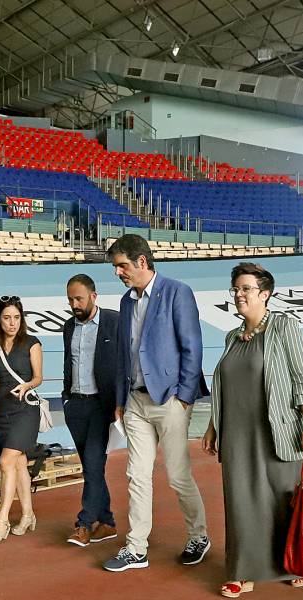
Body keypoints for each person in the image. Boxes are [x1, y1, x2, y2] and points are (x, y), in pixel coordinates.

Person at [202, 262, 303, 598]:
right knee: (241, 501)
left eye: (245, 289)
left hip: (278, 428)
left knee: (283, 499)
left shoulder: (284, 327)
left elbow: (302, 378)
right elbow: (225, 387)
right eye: (236, 289)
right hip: (237, 433)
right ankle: (242, 572)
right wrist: (214, 426)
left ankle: (294, 562)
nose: (239, 295)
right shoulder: (231, 337)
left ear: (265, 294)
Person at [102, 234, 210, 573]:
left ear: (142, 262)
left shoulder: (177, 292)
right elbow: (123, 354)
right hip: (135, 401)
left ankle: (198, 536)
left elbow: (192, 347)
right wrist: (121, 400)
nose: (118, 272)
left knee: (178, 475)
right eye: (116, 267)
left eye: (121, 265)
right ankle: (136, 548)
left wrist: (184, 398)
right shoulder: (125, 302)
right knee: (137, 474)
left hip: (171, 400)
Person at [62, 273, 123, 547]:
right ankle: (107, 521)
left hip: (102, 406)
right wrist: (66, 399)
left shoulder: (114, 322)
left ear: (94, 296)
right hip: (75, 405)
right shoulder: (68, 326)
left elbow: (125, 364)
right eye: (71, 299)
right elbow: (68, 363)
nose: (75, 304)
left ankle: (84, 523)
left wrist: (121, 403)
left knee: (95, 464)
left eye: (79, 298)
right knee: (91, 467)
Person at [0, 295, 43, 542]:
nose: (12, 323)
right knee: (18, 463)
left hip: (26, 410)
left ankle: (2, 520)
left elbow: (39, 378)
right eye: (7, 318)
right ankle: (27, 515)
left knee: (6, 461)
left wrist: (26, 385)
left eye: (16, 317)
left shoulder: (32, 343)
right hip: (3, 412)